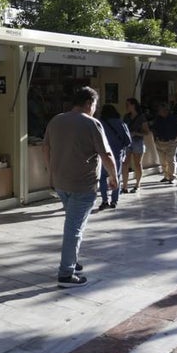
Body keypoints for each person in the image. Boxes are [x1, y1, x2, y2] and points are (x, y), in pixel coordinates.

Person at [43, 86, 117, 287]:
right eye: (95, 105)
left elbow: (46, 148)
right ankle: (66, 273)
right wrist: (114, 177)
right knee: (74, 228)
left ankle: (72, 261)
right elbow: (107, 154)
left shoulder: (56, 120)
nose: (95, 109)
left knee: (74, 223)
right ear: (89, 103)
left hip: (61, 183)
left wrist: (51, 173)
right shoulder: (92, 123)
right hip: (82, 184)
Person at [97, 104, 130, 210]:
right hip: (117, 154)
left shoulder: (99, 124)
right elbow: (128, 141)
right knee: (116, 176)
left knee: (102, 178)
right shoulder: (121, 123)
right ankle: (114, 201)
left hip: (103, 155)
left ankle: (104, 200)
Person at [150, 102, 177, 184]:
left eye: (160, 110)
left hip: (171, 142)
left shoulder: (174, 118)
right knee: (162, 161)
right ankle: (166, 176)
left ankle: (172, 177)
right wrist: (155, 139)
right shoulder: (158, 119)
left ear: (165, 110)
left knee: (171, 160)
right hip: (160, 142)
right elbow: (154, 129)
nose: (158, 111)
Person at [122, 97, 149, 193]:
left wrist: (136, 133)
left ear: (133, 105)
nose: (126, 106)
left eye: (128, 105)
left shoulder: (141, 117)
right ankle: (124, 186)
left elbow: (147, 132)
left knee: (137, 164)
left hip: (137, 141)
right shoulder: (126, 117)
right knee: (125, 164)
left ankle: (137, 184)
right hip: (127, 142)